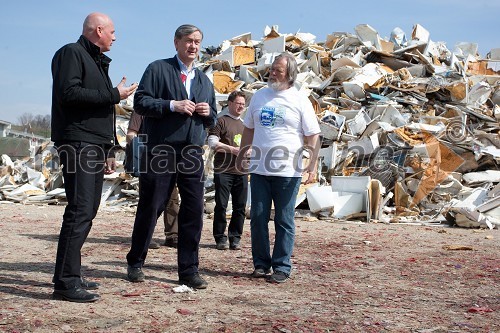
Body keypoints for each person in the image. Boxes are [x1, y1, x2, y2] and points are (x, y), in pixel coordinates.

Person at [51, 12, 137, 302]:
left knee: (86, 210)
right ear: (98, 30)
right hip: (77, 142)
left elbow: (100, 112)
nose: (115, 37)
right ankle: (65, 282)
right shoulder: (71, 53)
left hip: (92, 144)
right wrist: (115, 94)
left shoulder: (96, 61)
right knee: (80, 210)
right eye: (112, 32)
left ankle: (70, 274)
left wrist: (108, 148)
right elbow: (69, 93)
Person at [126, 24, 217, 289]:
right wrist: (171, 105)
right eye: (189, 41)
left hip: (191, 152)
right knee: (151, 207)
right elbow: (140, 102)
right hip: (161, 149)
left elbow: (213, 117)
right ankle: (135, 261)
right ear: (176, 42)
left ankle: (189, 270)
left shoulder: (204, 81)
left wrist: (206, 112)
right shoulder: (157, 69)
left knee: (194, 211)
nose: (194, 46)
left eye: (198, 42)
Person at [238, 52, 321, 283]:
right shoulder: (259, 96)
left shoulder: (299, 99)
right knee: (258, 217)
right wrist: (243, 155)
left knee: (284, 220)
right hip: (260, 169)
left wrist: (311, 165)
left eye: (278, 70)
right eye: (272, 68)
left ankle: (282, 266)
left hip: (288, 171)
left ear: (290, 74)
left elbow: (313, 135)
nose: (272, 73)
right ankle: (261, 264)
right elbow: (249, 129)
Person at [125, 110, 179, 249]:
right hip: (149, 161)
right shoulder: (141, 110)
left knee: (172, 199)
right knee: (150, 201)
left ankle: (173, 236)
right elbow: (131, 134)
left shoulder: (168, 109)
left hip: (167, 159)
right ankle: (145, 236)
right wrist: (141, 147)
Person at [207, 91, 248, 250]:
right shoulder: (221, 121)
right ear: (230, 103)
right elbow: (212, 142)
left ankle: (235, 238)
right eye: (238, 103)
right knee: (221, 205)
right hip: (223, 170)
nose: (241, 106)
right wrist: (232, 149)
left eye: (243, 104)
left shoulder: (245, 124)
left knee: (240, 207)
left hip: (242, 171)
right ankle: (220, 238)